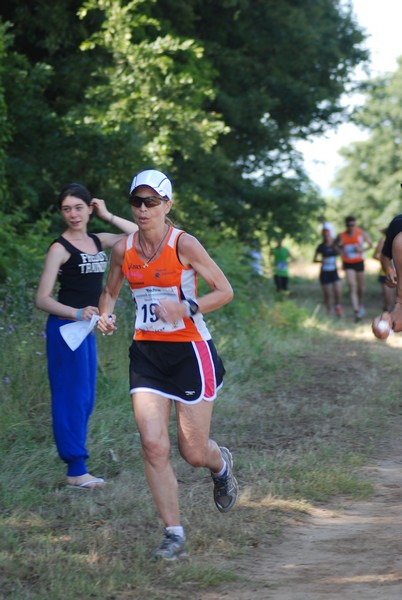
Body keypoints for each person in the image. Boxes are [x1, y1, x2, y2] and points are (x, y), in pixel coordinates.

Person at [97, 169, 238, 561]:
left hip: (191, 351)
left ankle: (220, 463)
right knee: (152, 444)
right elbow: (109, 293)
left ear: (167, 205)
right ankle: (173, 533)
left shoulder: (184, 245)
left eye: (152, 202)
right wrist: (104, 315)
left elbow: (224, 291)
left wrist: (186, 306)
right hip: (147, 353)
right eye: (137, 202)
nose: (143, 209)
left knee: (193, 452)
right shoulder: (123, 250)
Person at [35, 183, 138, 489]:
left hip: (85, 331)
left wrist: (108, 215)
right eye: (66, 209)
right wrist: (78, 312)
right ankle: (76, 470)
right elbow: (42, 299)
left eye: (78, 207)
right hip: (66, 330)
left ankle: (76, 466)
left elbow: (138, 235)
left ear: (89, 209)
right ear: (61, 212)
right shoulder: (59, 249)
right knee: (72, 398)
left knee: (86, 398)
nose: (73, 214)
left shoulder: (98, 240)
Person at [336, 216, 372, 322]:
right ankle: (356, 312)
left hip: (359, 262)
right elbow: (335, 246)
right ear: (346, 225)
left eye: (352, 225)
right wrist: (340, 251)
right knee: (352, 286)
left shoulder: (361, 233)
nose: (351, 227)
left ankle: (360, 305)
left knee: (362, 288)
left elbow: (370, 245)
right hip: (347, 263)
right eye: (348, 225)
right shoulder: (341, 235)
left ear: (355, 224)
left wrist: (361, 249)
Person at [313, 227, 342, 317]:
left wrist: (335, 246)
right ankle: (329, 310)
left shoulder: (335, 245)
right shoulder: (321, 246)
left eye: (328, 235)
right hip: (324, 272)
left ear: (330, 235)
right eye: (324, 235)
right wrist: (321, 261)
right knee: (327, 294)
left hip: (334, 271)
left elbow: (341, 253)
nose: (326, 237)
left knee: (337, 291)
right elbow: (314, 259)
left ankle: (338, 306)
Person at [373, 229, 395, 312]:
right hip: (385, 273)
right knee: (388, 298)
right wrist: (385, 261)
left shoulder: (399, 240)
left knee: (397, 299)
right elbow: (375, 255)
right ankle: (385, 313)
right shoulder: (382, 241)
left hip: (398, 273)